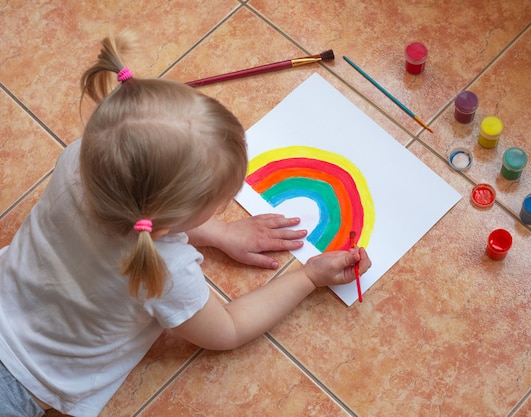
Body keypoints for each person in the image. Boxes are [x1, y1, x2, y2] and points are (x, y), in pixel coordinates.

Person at [0, 33, 371, 417]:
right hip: (18, 392)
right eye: (219, 204)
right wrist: (309, 277)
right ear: (165, 222)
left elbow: (141, 219)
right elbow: (227, 329)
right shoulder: (165, 272)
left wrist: (220, 232)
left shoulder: (78, 160)